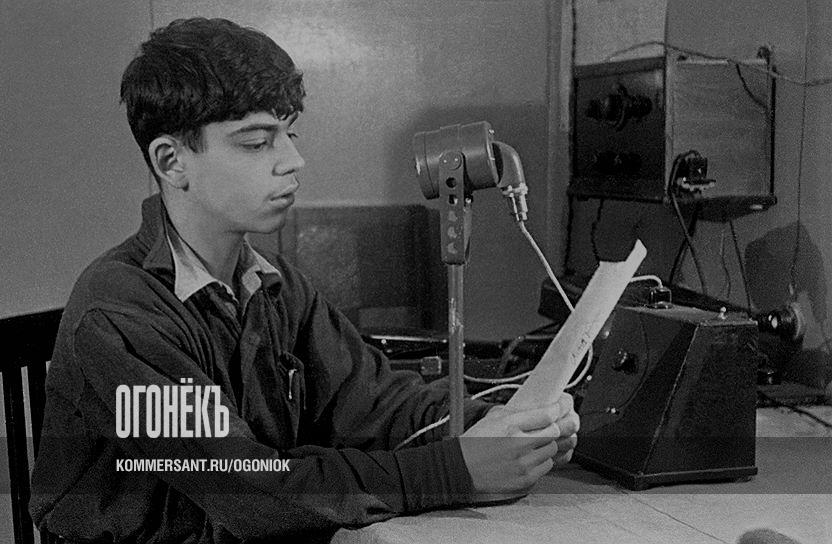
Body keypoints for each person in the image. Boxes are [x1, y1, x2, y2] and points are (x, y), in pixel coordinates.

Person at [29, 17, 579, 544]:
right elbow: (247, 491)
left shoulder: (276, 287)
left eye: (289, 134)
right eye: (256, 142)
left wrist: (502, 427)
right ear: (172, 162)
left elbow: (374, 403)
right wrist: (451, 470)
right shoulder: (117, 315)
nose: (293, 160)